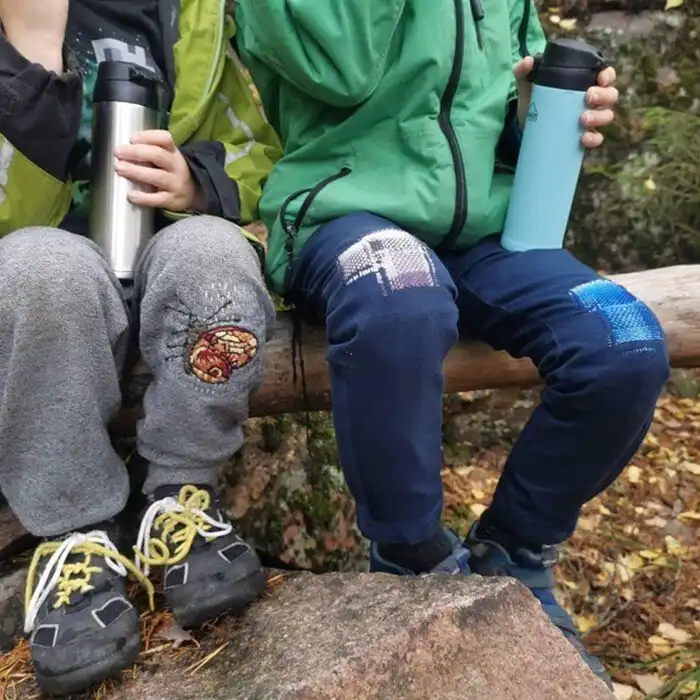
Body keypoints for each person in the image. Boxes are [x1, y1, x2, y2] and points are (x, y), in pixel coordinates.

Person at [234, 0, 670, 686]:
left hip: (493, 234)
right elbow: (339, 70)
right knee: (402, 301)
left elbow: (484, 120)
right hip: (347, 215)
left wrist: (533, 116)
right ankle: (412, 561)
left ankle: (515, 552)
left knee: (626, 340)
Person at [0, 0, 282, 694]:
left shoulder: (188, 15)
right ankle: (72, 539)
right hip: (43, 267)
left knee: (215, 258)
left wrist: (197, 181)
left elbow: (260, 155)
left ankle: (181, 497)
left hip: (161, 249)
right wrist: (30, 66)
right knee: (41, 271)